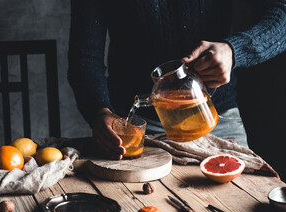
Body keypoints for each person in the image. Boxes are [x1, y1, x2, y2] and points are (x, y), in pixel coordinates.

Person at [68, 0, 286, 160]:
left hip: (218, 121)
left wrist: (235, 50)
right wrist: (100, 111)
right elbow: (85, 56)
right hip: (135, 130)